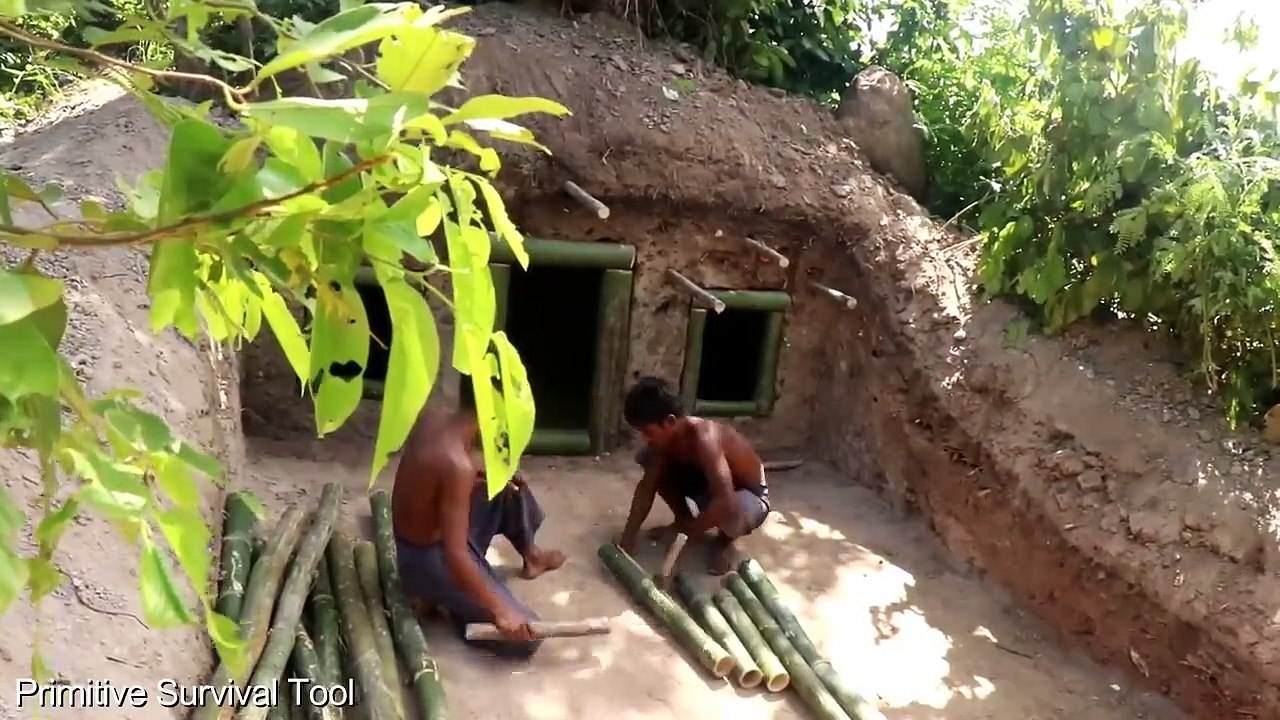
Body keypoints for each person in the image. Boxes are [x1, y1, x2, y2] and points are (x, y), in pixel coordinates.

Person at [391, 402, 565, 659]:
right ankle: (447, 601)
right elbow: (456, 556)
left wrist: (478, 480)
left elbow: (432, 486)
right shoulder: (457, 466)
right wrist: (500, 611)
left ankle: (532, 556)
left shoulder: (434, 418)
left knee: (507, 484)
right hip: (429, 560)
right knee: (527, 635)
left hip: (427, 541)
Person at [616, 376, 772, 575]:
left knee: (732, 513)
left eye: (647, 431)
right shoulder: (665, 440)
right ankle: (683, 519)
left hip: (747, 493)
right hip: (707, 484)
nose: (644, 438)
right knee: (649, 459)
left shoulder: (706, 439)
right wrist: (628, 535)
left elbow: (725, 501)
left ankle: (723, 542)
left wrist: (686, 537)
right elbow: (647, 487)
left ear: (669, 421)